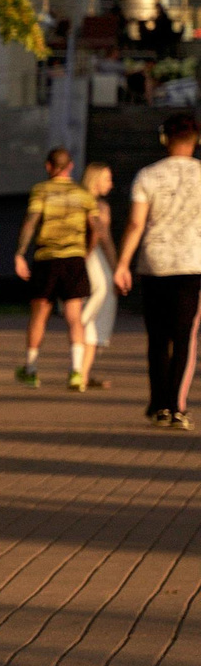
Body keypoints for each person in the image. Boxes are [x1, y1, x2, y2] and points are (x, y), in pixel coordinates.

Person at [115, 111, 201, 428]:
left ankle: (158, 404)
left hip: (154, 262)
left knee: (157, 337)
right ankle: (177, 407)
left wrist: (122, 263)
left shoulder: (148, 175)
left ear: (164, 139)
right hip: (192, 263)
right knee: (183, 337)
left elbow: (136, 223)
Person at [14, 147, 98, 391]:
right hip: (74, 258)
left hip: (47, 258)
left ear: (48, 167)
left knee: (39, 315)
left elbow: (31, 222)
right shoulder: (83, 194)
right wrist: (86, 251)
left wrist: (20, 253)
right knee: (74, 316)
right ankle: (75, 371)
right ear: (71, 166)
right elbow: (95, 228)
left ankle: (30, 369)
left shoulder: (41, 190)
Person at [81, 162, 119, 389]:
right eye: (107, 179)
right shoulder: (96, 206)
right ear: (95, 180)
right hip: (91, 258)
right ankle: (82, 373)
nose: (111, 184)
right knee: (101, 298)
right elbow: (102, 238)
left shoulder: (91, 203)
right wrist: (116, 269)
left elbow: (105, 238)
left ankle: (83, 372)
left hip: (83, 258)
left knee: (98, 305)